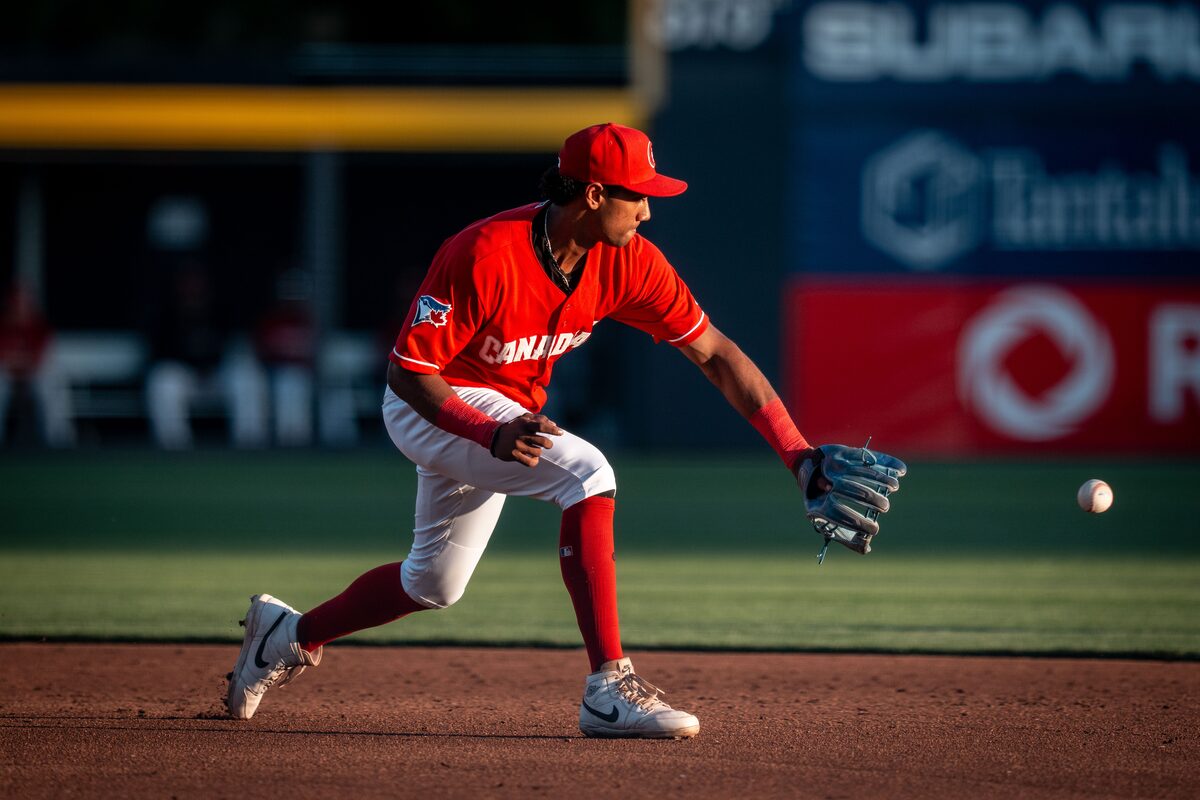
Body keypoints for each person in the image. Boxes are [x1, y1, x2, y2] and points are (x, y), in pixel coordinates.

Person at [225, 123, 899, 738]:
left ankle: (287, 635)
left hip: (503, 417)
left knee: (433, 584)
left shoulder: (630, 260)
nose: (649, 209)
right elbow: (409, 374)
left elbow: (716, 354)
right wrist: (482, 432)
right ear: (597, 193)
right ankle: (610, 685)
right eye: (639, 196)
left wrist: (798, 455)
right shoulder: (483, 253)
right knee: (588, 471)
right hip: (434, 406)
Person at [145, 261, 267, 449]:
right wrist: (194, 367)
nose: (193, 288)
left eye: (197, 283)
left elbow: (235, 345)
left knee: (246, 376)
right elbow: (160, 354)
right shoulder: (167, 315)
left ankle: (250, 443)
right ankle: (174, 447)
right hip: (185, 378)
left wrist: (213, 366)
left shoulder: (221, 311)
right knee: (164, 381)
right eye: (188, 283)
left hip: (217, 375)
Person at [0, 281, 75, 447]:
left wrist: (18, 362)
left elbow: (39, 360)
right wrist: (18, 362)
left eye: (24, 302)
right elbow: (3, 359)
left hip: (34, 377)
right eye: (17, 303)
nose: (20, 307)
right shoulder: (4, 326)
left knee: (48, 383)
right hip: (9, 378)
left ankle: (56, 441)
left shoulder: (39, 327)